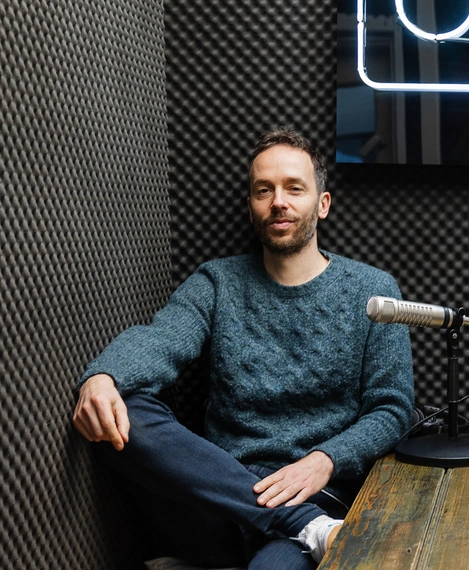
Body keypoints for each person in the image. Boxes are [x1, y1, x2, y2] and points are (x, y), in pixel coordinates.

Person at [72, 128, 415, 569]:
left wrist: (324, 460)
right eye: (263, 190)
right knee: (120, 410)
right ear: (251, 205)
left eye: (294, 188)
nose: (278, 202)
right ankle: (304, 526)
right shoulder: (217, 282)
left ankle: (290, 530)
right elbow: (160, 340)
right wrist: (105, 376)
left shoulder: (373, 290)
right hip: (215, 497)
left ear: (322, 204)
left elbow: (391, 408)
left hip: (314, 492)